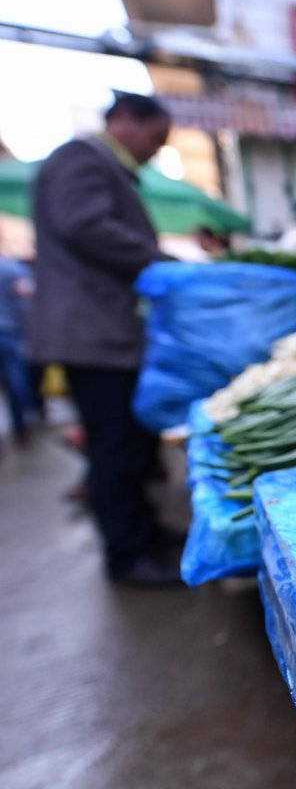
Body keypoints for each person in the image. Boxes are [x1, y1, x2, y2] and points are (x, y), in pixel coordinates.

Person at [31, 92, 179, 586]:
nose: (155, 150)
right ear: (124, 120)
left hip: (109, 334)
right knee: (114, 447)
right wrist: (163, 263)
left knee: (130, 444)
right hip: (95, 334)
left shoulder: (102, 166)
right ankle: (128, 555)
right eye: (155, 138)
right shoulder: (80, 158)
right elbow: (87, 225)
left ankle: (144, 534)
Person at [0, 256, 36, 451]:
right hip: (8, 333)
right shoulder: (12, 268)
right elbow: (27, 299)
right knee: (16, 382)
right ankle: (21, 426)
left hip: (8, 332)